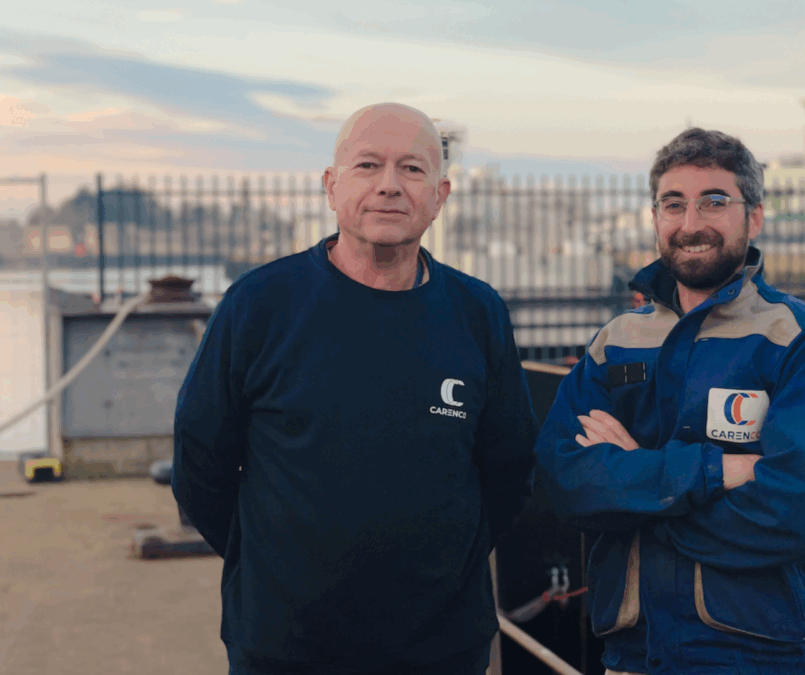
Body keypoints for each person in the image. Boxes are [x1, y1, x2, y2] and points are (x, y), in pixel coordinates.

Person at [172, 103, 538, 675]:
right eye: (368, 165)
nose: (389, 186)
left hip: (441, 646)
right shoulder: (260, 305)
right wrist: (274, 568)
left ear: (439, 194)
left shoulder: (477, 312)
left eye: (412, 170)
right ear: (331, 185)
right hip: (286, 645)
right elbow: (200, 464)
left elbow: (509, 468)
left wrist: (442, 565)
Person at [534, 128, 805, 674]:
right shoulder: (616, 341)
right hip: (633, 652)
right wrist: (718, 471)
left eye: (714, 202)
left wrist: (638, 484)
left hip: (753, 653)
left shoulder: (800, 339)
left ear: (754, 217)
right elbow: (569, 481)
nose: (691, 224)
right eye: (673, 204)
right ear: (656, 217)